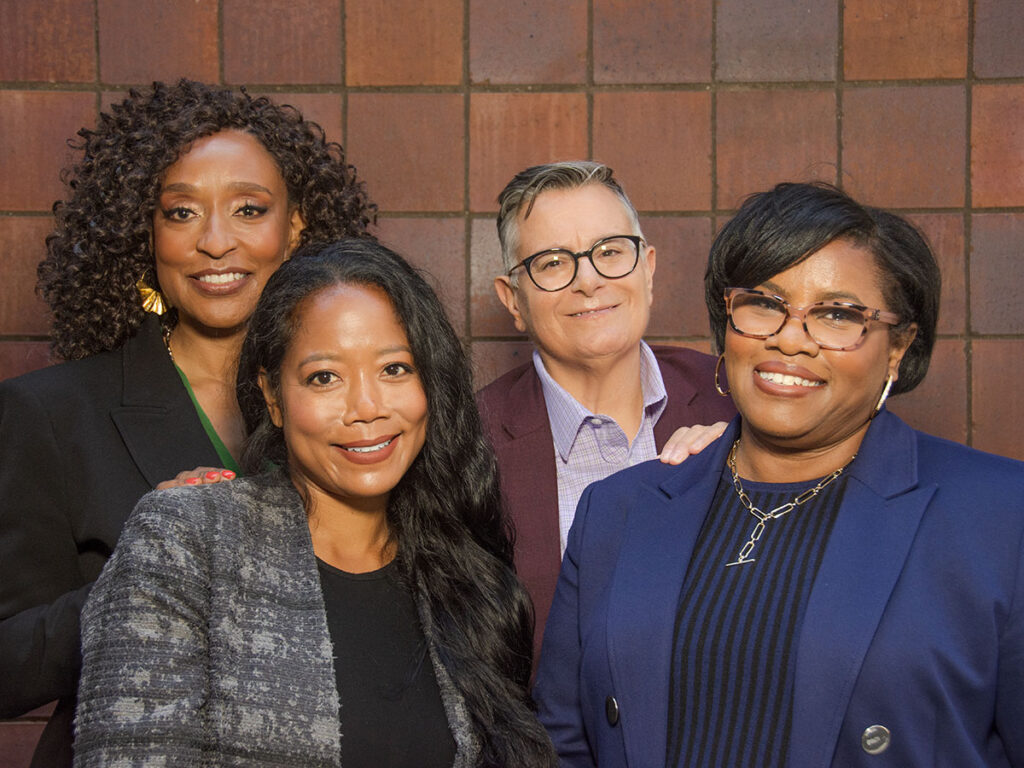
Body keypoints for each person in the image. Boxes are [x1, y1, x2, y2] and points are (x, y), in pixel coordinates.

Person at [533, 181, 1024, 767]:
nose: (789, 338)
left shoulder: (1000, 517)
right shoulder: (618, 510)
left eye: (837, 315)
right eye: (764, 305)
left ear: (898, 347)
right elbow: (562, 743)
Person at [0, 80, 374, 766]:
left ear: (296, 227)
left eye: (249, 209)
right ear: (144, 233)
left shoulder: (360, 410)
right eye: (180, 213)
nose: (214, 241)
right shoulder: (52, 414)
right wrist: (142, 574)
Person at [73, 240, 557, 768]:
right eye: (325, 377)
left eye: (394, 369)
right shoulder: (184, 542)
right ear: (274, 397)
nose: (367, 408)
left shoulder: (468, 578)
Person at [476, 161, 735, 660]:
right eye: (553, 262)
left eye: (611, 252)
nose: (589, 280)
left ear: (648, 268)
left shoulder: (737, 398)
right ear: (513, 299)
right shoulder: (470, 441)